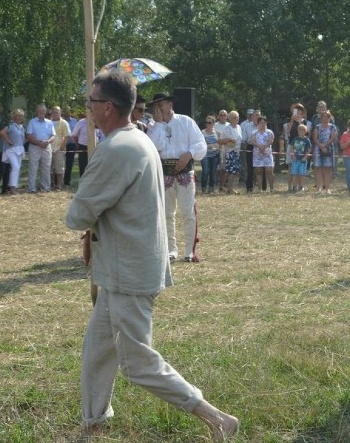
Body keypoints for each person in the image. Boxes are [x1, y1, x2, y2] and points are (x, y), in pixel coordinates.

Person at [65, 69, 238, 440]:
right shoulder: (138, 140)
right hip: (123, 266)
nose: (89, 109)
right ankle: (93, 423)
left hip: (129, 269)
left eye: (92, 102)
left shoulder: (116, 149)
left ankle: (217, 418)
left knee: (137, 362)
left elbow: (77, 214)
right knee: (98, 350)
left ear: (108, 107)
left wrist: (87, 212)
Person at [148, 92, 206, 262]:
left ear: (170, 104)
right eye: (156, 105)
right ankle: (171, 250)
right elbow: (154, 146)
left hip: (185, 173)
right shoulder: (153, 126)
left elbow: (200, 144)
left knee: (188, 212)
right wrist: (158, 125)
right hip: (165, 174)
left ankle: (189, 250)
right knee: (166, 214)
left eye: (161, 104)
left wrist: (189, 154)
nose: (158, 107)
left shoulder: (185, 121)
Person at [26, 104, 55, 193]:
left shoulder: (50, 122)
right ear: (37, 112)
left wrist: (48, 141)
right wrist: (38, 143)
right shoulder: (32, 122)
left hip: (46, 147)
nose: (41, 113)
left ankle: (46, 187)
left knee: (46, 168)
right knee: (33, 168)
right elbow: (28, 135)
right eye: (39, 111)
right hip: (35, 147)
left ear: (45, 112)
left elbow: (53, 135)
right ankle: (32, 188)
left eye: (43, 111)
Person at [0, 109, 26, 195]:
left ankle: (13, 187)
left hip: (20, 150)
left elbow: (23, 139)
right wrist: (8, 141)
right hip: (11, 150)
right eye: (18, 116)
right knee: (15, 167)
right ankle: (12, 188)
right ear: (14, 117)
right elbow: (2, 133)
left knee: (17, 168)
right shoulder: (11, 125)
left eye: (21, 116)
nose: (19, 117)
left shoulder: (22, 128)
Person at [312, 109, 337, 194]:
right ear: (321, 117)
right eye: (323, 116)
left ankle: (327, 189)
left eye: (327, 117)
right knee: (318, 168)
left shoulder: (332, 127)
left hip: (329, 149)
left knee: (327, 169)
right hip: (318, 150)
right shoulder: (317, 127)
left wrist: (325, 145)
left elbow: (333, 138)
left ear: (329, 118)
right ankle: (318, 188)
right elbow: (315, 138)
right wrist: (321, 146)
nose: (325, 118)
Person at [218, 110, 242, 194]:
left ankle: (230, 188)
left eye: (237, 117)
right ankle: (229, 189)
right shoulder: (227, 129)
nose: (236, 119)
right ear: (230, 119)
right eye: (234, 117)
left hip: (237, 152)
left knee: (234, 171)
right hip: (230, 152)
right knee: (231, 171)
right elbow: (221, 141)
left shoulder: (239, 127)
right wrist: (229, 140)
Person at [251, 116, 275, 193]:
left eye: (264, 123)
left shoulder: (270, 132)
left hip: (267, 154)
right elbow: (253, 141)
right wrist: (259, 146)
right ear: (258, 123)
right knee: (259, 171)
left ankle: (271, 188)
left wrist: (264, 147)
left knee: (269, 170)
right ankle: (259, 189)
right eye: (261, 122)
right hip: (258, 154)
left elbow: (271, 141)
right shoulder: (254, 132)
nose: (262, 124)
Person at [50, 106, 71, 191]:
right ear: (52, 113)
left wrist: (62, 147)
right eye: (54, 112)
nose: (56, 113)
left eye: (57, 112)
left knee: (59, 168)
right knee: (49, 169)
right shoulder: (48, 122)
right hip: (48, 149)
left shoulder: (64, 123)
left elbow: (67, 136)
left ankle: (58, 186)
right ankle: (50, 185)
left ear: (60, 113)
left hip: (59, 149)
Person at [200, 115, 221, 194]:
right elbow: (200, 143)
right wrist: (208, 146)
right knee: (205, 171)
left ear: (213, 123)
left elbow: (220, 142)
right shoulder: (202, 132)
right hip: (205, 155)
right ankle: (203, 188)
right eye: (206, 123)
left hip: (215, 155)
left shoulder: (217, 132)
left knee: (213, 172)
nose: (207, 124)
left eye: (209, 122)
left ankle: (211, 188)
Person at [289, 123, 311, 192]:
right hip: (295, 160)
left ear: (305, 131)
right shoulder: (295, 139)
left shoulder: (307, 140)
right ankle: (294, 187)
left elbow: (309, 149)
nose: (301, 132)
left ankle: (301, 187)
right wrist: (293, 155)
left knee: (302, 174)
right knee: (294, 174)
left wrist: (305, 156)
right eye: (300, 130)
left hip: (303, 160)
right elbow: (292, 147)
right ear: (298, 131)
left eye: (303, 130)